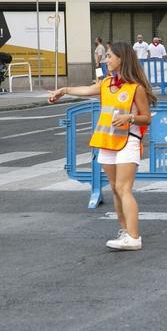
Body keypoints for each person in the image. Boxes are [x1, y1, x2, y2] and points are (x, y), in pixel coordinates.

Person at [48, 42, 156, 250]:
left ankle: (134, 238)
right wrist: (64, 89)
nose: (106, 60)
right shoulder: (107, 83)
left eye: (109, 56)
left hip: (128, 140)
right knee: (116, 189)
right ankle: (125, 231)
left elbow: (147, 119)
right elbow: (87, 90)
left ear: (121, 59)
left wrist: (130, 117)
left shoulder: (136, 88)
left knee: (124, 189)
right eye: (106, 57)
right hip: (107, 141)